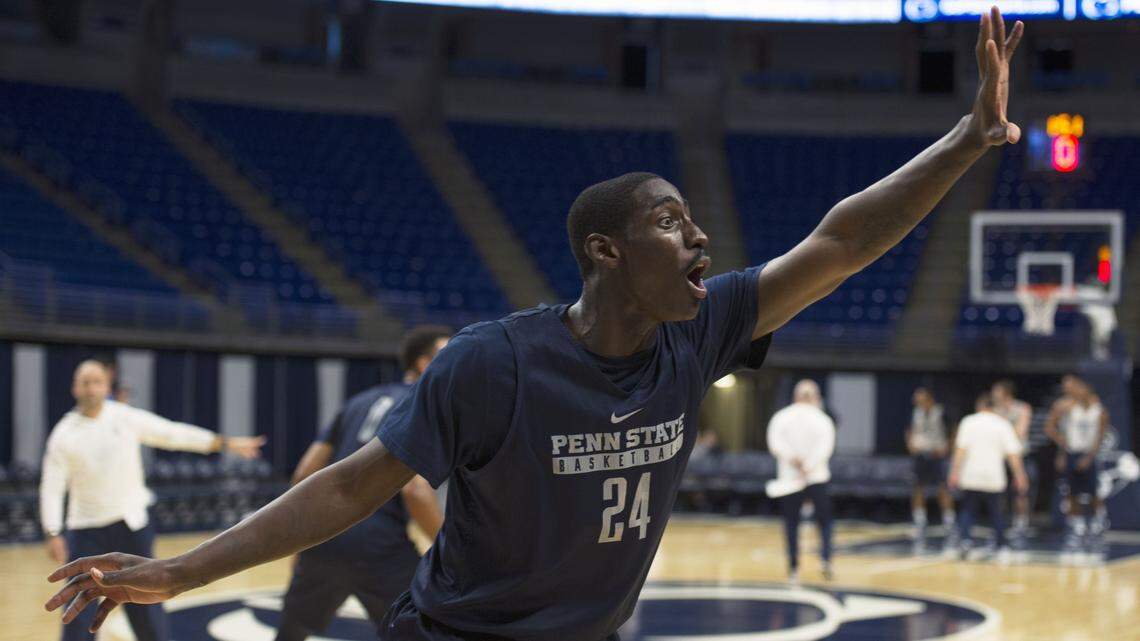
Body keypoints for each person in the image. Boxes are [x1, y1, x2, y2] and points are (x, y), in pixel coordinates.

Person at [44, 10, 1026, 640]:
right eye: (668, 219)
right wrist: (179, 565)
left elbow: (843, 241)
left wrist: (968, 138)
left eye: (693, 218)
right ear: (605, 251)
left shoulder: (706, 327)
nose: (699, 233)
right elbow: (348, 484)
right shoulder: (493, 362)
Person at [39, 360, 265, 641]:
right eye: (85, 382)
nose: (91, 388)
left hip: (131, 526)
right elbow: (52, 486)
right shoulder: (64, 434)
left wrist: (224, 443)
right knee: (79, 612)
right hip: (86, 532)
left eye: (96, 381)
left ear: (107, 386)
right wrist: (52, 531)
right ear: (75, 388)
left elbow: (172, 433)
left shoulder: (124, 417)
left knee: (146, 605)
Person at [276, 327, 450, 641]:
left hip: (323, 537)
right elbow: (415, 489)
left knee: (292, 631)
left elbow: (304, 474)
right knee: (419, 629)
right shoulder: (423, 405)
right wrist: (447, 545)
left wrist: (300, 540)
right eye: (447, 355)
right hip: (379, 544)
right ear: (426, 365)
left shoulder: (359, 401)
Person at [766, 379, 836, 582]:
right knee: (822, 522)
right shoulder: (822, 419)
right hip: (812, 476)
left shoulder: (782, 416)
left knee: (792, 523)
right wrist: (808, 464)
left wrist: (795, 460)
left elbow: (775, 443)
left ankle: (795, 568)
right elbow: (825, 447)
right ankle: (824, 560)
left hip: (795, 477)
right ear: (815, 397)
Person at [948, 393, 1028, 561]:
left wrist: (954, 472)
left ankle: (965, 542)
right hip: (993, 477)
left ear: (980, 405)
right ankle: (1001, 545)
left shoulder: (968, 422)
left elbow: (960, 450)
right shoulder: (1002, 424)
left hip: (970, 475)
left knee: (968, 510)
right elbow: (1013, 454)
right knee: (997, 513)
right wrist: (1020, 475)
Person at [1043, 374, 1109, 553]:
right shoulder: (1067, 407)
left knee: (1095, 493)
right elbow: (1051, 428)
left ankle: (1097, 527)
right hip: (1072, 452)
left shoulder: (1098, 408)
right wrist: (1063, 448)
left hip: (1090, 454)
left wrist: (1089, 458)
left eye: (1074, 386)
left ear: (1085, 388)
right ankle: (1077, 530)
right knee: (1072, 493)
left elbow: (1100, 436)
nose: (1071, 390)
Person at [905, 387, 955, 539]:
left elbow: (954, 430)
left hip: (937, 454)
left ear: (929, 399)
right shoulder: (916, 412)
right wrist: (910, 444)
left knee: (943, 488)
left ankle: (949, 521)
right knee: (918, 487)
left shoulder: (941, 411)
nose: (918, 402)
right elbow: (909, 430)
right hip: (920, 454)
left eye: (921, 399)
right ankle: (919, 521)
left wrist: (948, 447)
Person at [991, 379, 1033, 536]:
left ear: (1006, 393)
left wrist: (1002, 433)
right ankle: (1000, 521)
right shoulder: (994, 411)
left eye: (997, 391)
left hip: (1020, 455)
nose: (994, 394)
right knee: (998, 491)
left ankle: (1021, 522)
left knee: (1020, 491)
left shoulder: (1022, 408)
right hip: (1000, 457)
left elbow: (1019, 432)